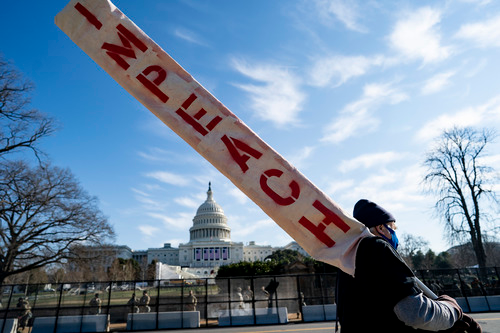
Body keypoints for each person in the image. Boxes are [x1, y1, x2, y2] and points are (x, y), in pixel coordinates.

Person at [336, 199, 482, 333]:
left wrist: (440, 327)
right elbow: (415, 313)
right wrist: (451, 309)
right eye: (393, 228)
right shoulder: (377, 248)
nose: (394, 233)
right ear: (381, 227)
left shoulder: (347, 262)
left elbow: (381, 316)